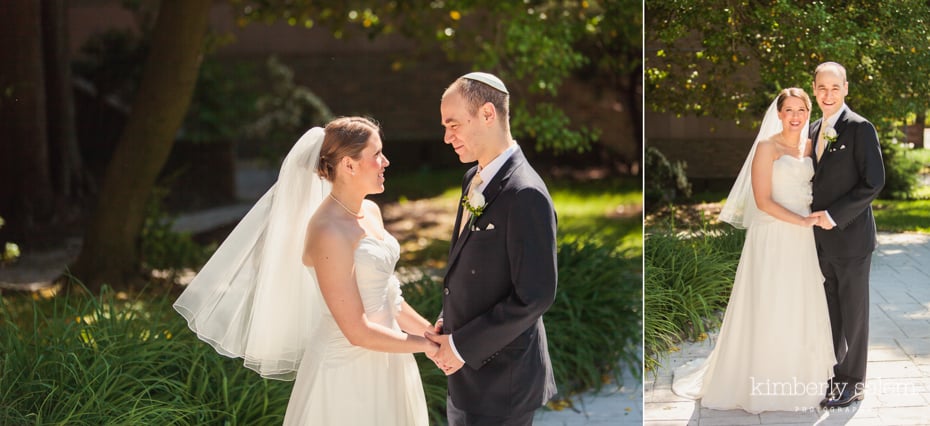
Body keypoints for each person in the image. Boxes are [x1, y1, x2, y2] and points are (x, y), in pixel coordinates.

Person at [174, 117, 435, 425]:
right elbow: (356, 331)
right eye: (376, 154)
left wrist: (432, 334)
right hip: (347, 374)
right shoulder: (327, 231)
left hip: (391, 360)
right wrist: (427, 347)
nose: (386, 161)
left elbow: (389, 297)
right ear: (349, 165)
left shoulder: (371, 212)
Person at [672, 88, 836, 413]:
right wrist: (800, 221)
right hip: (773, 235)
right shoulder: (766, 147)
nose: (794, 116)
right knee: (769, 301)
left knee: (798, 302)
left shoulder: (812, 147)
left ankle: (799, 376)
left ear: (808, 112)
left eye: (801, 110)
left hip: (802, 240)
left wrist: (813, 221)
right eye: (788, 110)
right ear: (778, 114)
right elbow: (762, 201)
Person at [424, 72, 558, 425]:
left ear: (487, 114)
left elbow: (536, 296)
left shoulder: (525, 192)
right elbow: (474, 267)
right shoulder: (473, 179)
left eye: (453, 125)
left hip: (503, 384)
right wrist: (447, 320)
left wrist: (460, 346)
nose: (446, 137)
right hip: (468, 379)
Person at [809, 62, 885, 408]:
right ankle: (833, 374)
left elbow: (874, 182)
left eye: (834, 88)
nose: (828, 94)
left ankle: (853, 382)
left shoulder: (860, 128)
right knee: (830, 312)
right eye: (822, 88)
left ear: (846, 88)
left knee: (854, 313)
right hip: (817, 243)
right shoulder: (811, 130)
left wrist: (834, 216)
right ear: (814, 89)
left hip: (852, 239)